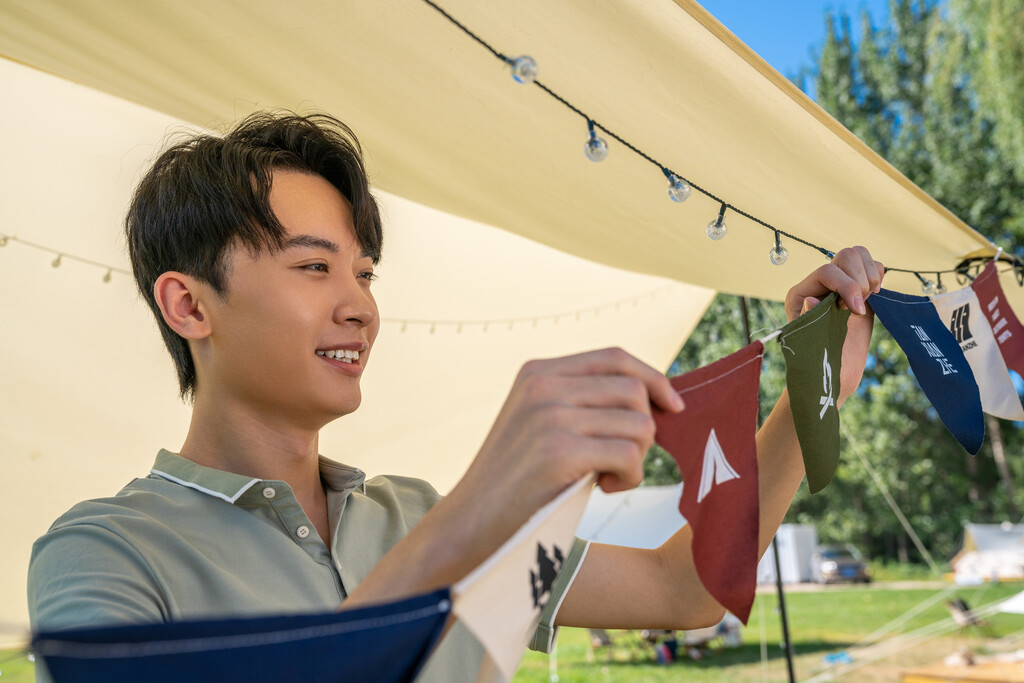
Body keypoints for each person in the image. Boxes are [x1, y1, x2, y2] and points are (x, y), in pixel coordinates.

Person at [27, 112, 884, 681]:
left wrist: (819, 393)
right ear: (188, 303)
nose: (359, 303)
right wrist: (480, 506)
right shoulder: (102, 552)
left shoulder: (409, 514)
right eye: (314, 265)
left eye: (364, 271)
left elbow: (680, 589)